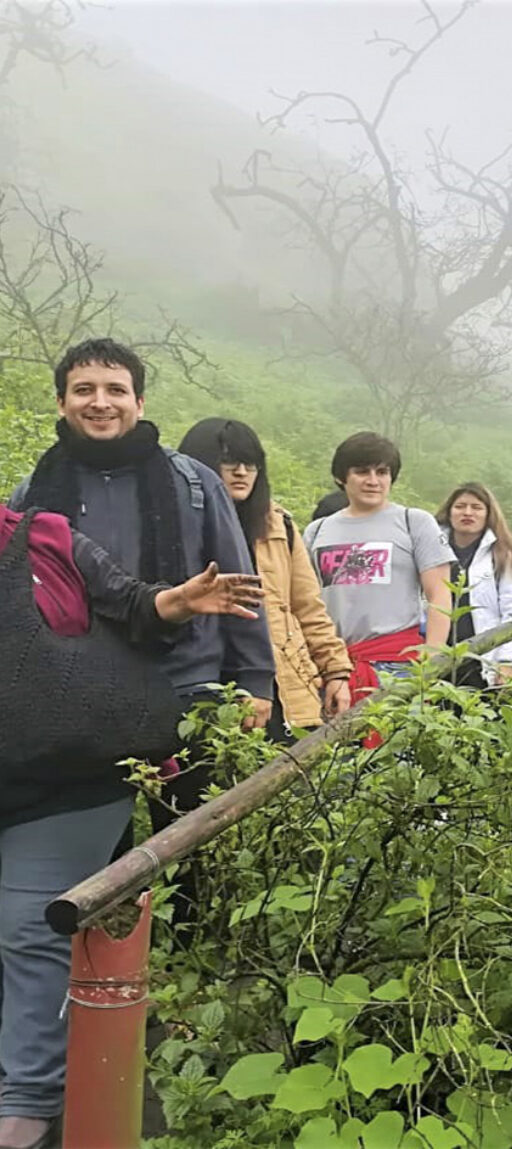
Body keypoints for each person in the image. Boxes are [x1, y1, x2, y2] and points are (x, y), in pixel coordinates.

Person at [0, 503, 263, 1149]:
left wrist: (182, 601)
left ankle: (27, 1101)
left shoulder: (44, 536)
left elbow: (131, 601)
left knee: (28, 925)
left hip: (69, 774)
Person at [8, 338, 276, 921]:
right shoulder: (33, 495)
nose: (100, 403)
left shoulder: (194, 483)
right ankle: (106, 975)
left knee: (193, 846)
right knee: (96, 859)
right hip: (77, 700)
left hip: (188, 689)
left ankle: (194, 967)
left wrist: (256, 680)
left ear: (139, 399)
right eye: (84, 390)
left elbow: (239, 584)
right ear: (61, 403)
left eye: (115, 390)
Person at [178, 418, 353, 741]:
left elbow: (307, 606)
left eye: (251, 463)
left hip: (283, 681)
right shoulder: (176, 524)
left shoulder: (278, 524)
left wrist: (336, 671)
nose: (242, 471)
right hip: (207, 681)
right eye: (229, 461)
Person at [302, 431, 454, 697]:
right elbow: (305, 600)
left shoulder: (414, 522)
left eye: (382, 472)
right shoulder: (317, 531)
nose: (373, 481)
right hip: (333, 665)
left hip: (397, 662)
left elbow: (439, 593)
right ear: (342, 477)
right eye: (362, 472)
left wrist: (432, 658)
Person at [437, 483, 512, 687]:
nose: (467, 513)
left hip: (484, 660)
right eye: (460, 506)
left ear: (488, 514)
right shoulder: (431, 547)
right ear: (449, 512)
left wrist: (509, 660)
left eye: (476, 507)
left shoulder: (504, 553)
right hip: (437, 657)